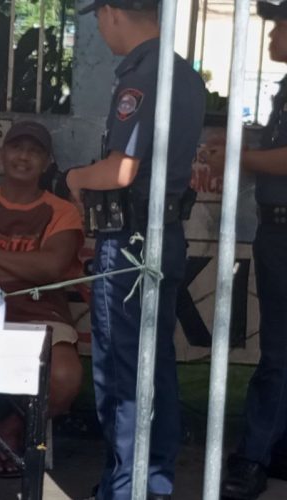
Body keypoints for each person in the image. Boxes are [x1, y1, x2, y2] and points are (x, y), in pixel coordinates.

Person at [65, 0, 205, 498]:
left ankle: (127, 489)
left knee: (125, 375)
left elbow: (121, 170)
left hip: (130, 243)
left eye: (99, 18)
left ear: (112, 12)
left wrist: (76, 177)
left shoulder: (143, 75)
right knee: (153, 365)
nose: (101, 28)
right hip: (163, 234)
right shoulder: (184, 74)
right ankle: (149, 482)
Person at [0, 120, 84, 476]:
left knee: (65, 376)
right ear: (2, 153)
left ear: (46, 162)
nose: (24, 157)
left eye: (34, 152)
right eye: (17, 148)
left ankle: (10, 430)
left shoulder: (62, 211)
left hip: (41, 312)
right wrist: (25, 268)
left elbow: (51, 268)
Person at [207, 2, 287, 498]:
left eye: (279, 26)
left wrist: (238, 155)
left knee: (278, 352)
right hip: (276, 229)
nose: (272, 35)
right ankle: (274, 449)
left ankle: (254, 458)